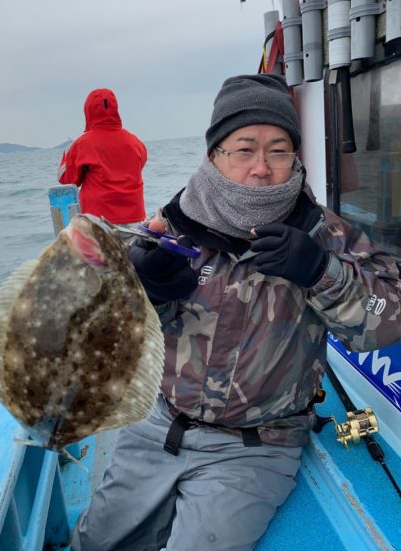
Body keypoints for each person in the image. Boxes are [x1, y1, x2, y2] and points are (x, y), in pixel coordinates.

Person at [71, 74, 401, 551]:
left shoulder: (324, 234)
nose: (262, 168)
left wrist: (321, 272)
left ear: (296, 156)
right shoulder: (171, 225)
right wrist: (142, 288)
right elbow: (104, 337)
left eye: (279, 150)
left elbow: (388, 318)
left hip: (256, 448)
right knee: (97, 541)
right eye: (244, 149)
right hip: (158, 424)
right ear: (215, 156)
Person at [58, 88, 147, 226]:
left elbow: (66, 180)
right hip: (135, 220)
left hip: (98, 221)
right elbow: (140, 165)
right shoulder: (136, 142)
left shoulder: (81, 145)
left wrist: (67, 153)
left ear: (87, 112)